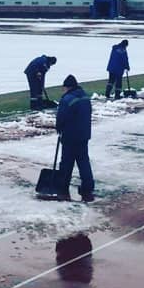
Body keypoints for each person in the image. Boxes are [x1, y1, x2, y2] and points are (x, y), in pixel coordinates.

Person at [55, 74, 94, 202]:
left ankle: (62, 187)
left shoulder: (66, 99)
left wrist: (59, 128)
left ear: (67, 87)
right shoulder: (85, 97)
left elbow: (61, 117)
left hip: (70, 136)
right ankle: (87, 187)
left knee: (66, 162)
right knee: (83, 161)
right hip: (84, 135)